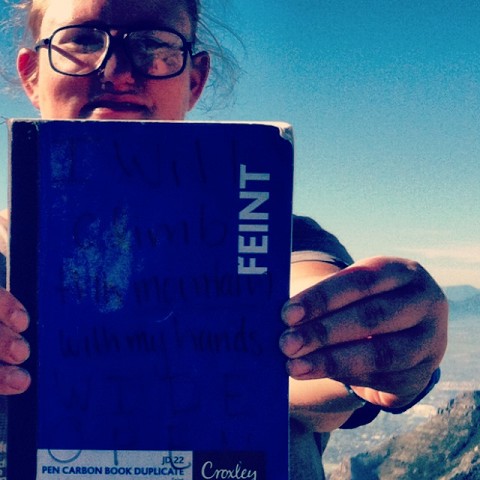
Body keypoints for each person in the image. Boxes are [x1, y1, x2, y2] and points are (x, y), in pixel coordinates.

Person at [0, 0, 448, 478]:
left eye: (155, 44)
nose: (118, 71)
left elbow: (299, 300)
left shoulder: (281, 234)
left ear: (195, 80)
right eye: (81, 41)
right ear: (31, 75)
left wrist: (366, 339)